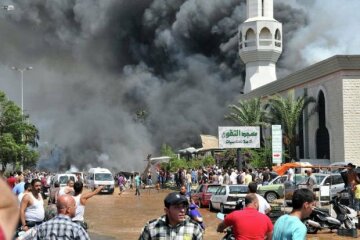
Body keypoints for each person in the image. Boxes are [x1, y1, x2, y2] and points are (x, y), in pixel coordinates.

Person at [139, 192, 203, 239]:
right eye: (177, 207)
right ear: (166, 210)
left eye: (184, 207)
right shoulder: (151, 228)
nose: (183, 210)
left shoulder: (194, 228)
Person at [23, 194, 90, 239]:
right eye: (74, 205)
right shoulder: (77, 229)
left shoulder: (41, 228)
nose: (76, 207)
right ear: (68, 209)